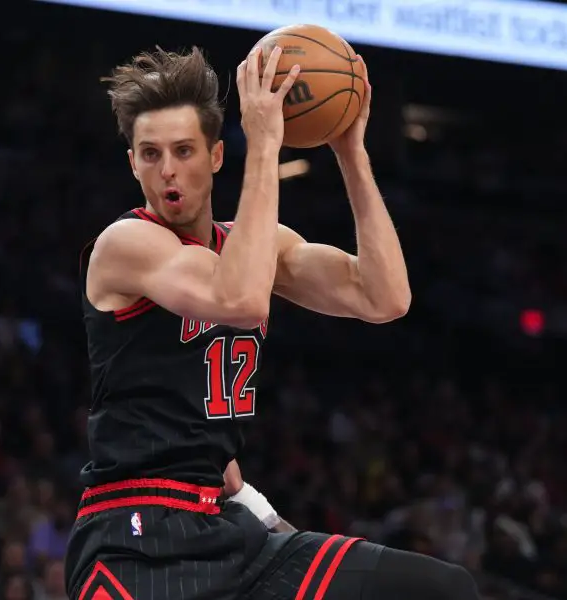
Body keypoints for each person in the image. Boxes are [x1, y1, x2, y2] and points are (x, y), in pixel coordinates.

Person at [66, 43, 478, 600]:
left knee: (441, 588)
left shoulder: (255, 248)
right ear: (132, 164)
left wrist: (350, 152)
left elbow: (385, 297)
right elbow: (240, 298)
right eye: (150, 154)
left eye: (184, 151)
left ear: (215, 156)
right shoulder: (125, 244)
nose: (168, 170)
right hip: (134, 538)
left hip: (223, 525)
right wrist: (264, 143)